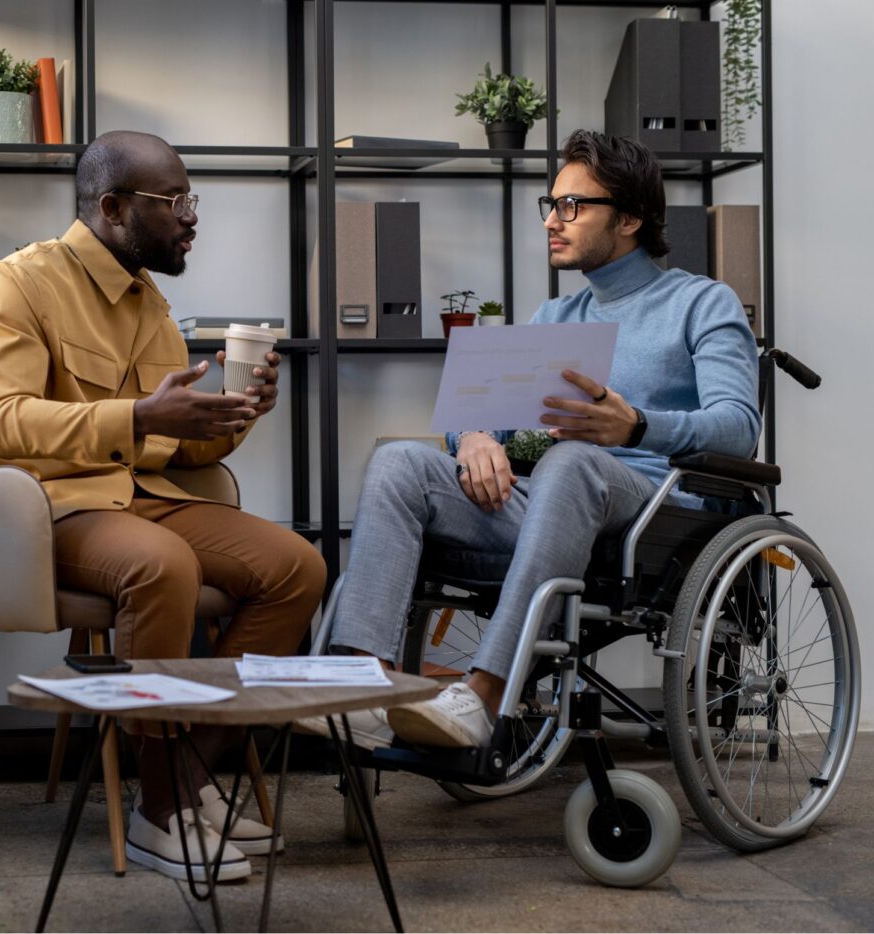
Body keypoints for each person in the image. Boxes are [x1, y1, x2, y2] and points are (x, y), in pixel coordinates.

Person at [301, 129, 760, 750]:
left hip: (655, 519)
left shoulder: (702, 303)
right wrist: (473, 440)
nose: (552, 219)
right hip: (552, 507)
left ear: (629, 218)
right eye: (550, 203)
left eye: (573, 206)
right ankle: (368, 688)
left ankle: (483, 696)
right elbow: (477, 411)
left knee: (572, 461)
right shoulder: (555, 318)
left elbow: (740, 429)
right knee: (400, 461)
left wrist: (638, 426)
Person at [0, 130, 326, 882]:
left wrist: (232, 416)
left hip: (143, 498)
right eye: (176, 200)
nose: (193, 217)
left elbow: (172, 449)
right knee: (162, 568)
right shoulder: (18, 283)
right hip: (41, 508)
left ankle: (187, 776)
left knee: (297, 567)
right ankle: (163, 811)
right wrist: (138, 419)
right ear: (114, 207)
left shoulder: (150, 300)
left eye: (193, 199)